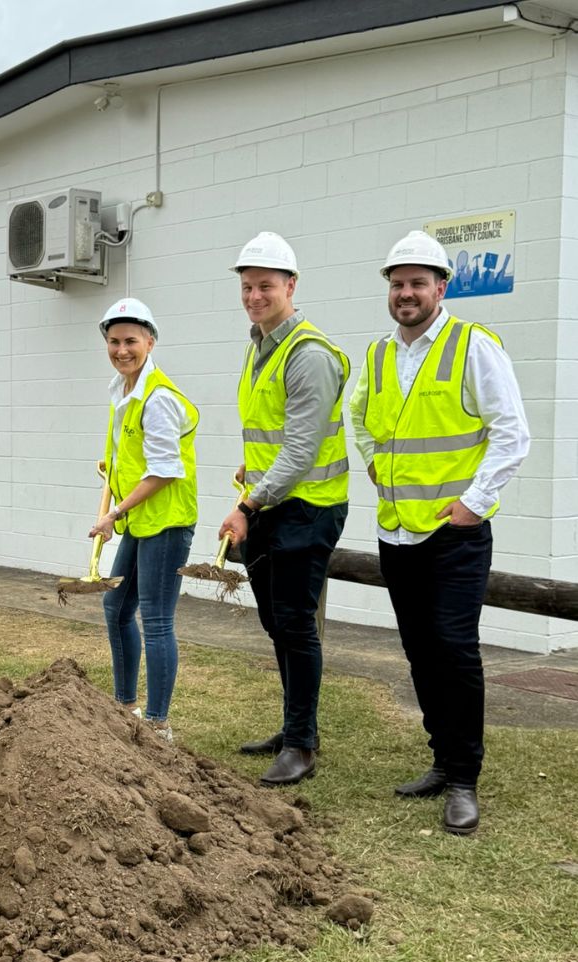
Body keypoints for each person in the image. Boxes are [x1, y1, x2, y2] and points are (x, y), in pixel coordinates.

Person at [350, 230, 529, 836]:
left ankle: (463, 780)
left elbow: (513, 433)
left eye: (417, 283)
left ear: (440, 287)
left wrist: (475, 505)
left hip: (453, 536)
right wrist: (373, 460)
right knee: (421, 651)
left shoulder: (473, 346)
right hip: (397, 533)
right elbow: (361, 418)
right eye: (397, 283)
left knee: (454, 650)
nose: (406, 293)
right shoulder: (378, 355)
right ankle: (440, 757)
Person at [219, 232, 350, 786]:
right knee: (278, 623)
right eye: (247, 287)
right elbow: (274, 438)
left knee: (295, 624)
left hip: (308, 508)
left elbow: (300, 450)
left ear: (291, 286)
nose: (254, 296)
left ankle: (301, 744)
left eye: (265, 286)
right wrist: (253, 477)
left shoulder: (309, 354)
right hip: (273, 504)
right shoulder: (260, 345)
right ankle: (296, 725)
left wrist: (248, 501)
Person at [90, 298, 198, 742]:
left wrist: (115, 511)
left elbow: (163, 470)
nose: (121, 349)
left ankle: (157, 724)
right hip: (139, 520)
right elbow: (126, 461)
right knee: (116, 607)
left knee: (155, 619)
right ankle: (125, 706)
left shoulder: (158, 399)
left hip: (167, 522)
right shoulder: (122, 391)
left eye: (131, 340)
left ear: (150, 342)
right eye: (114, 341)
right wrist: (113, 499)